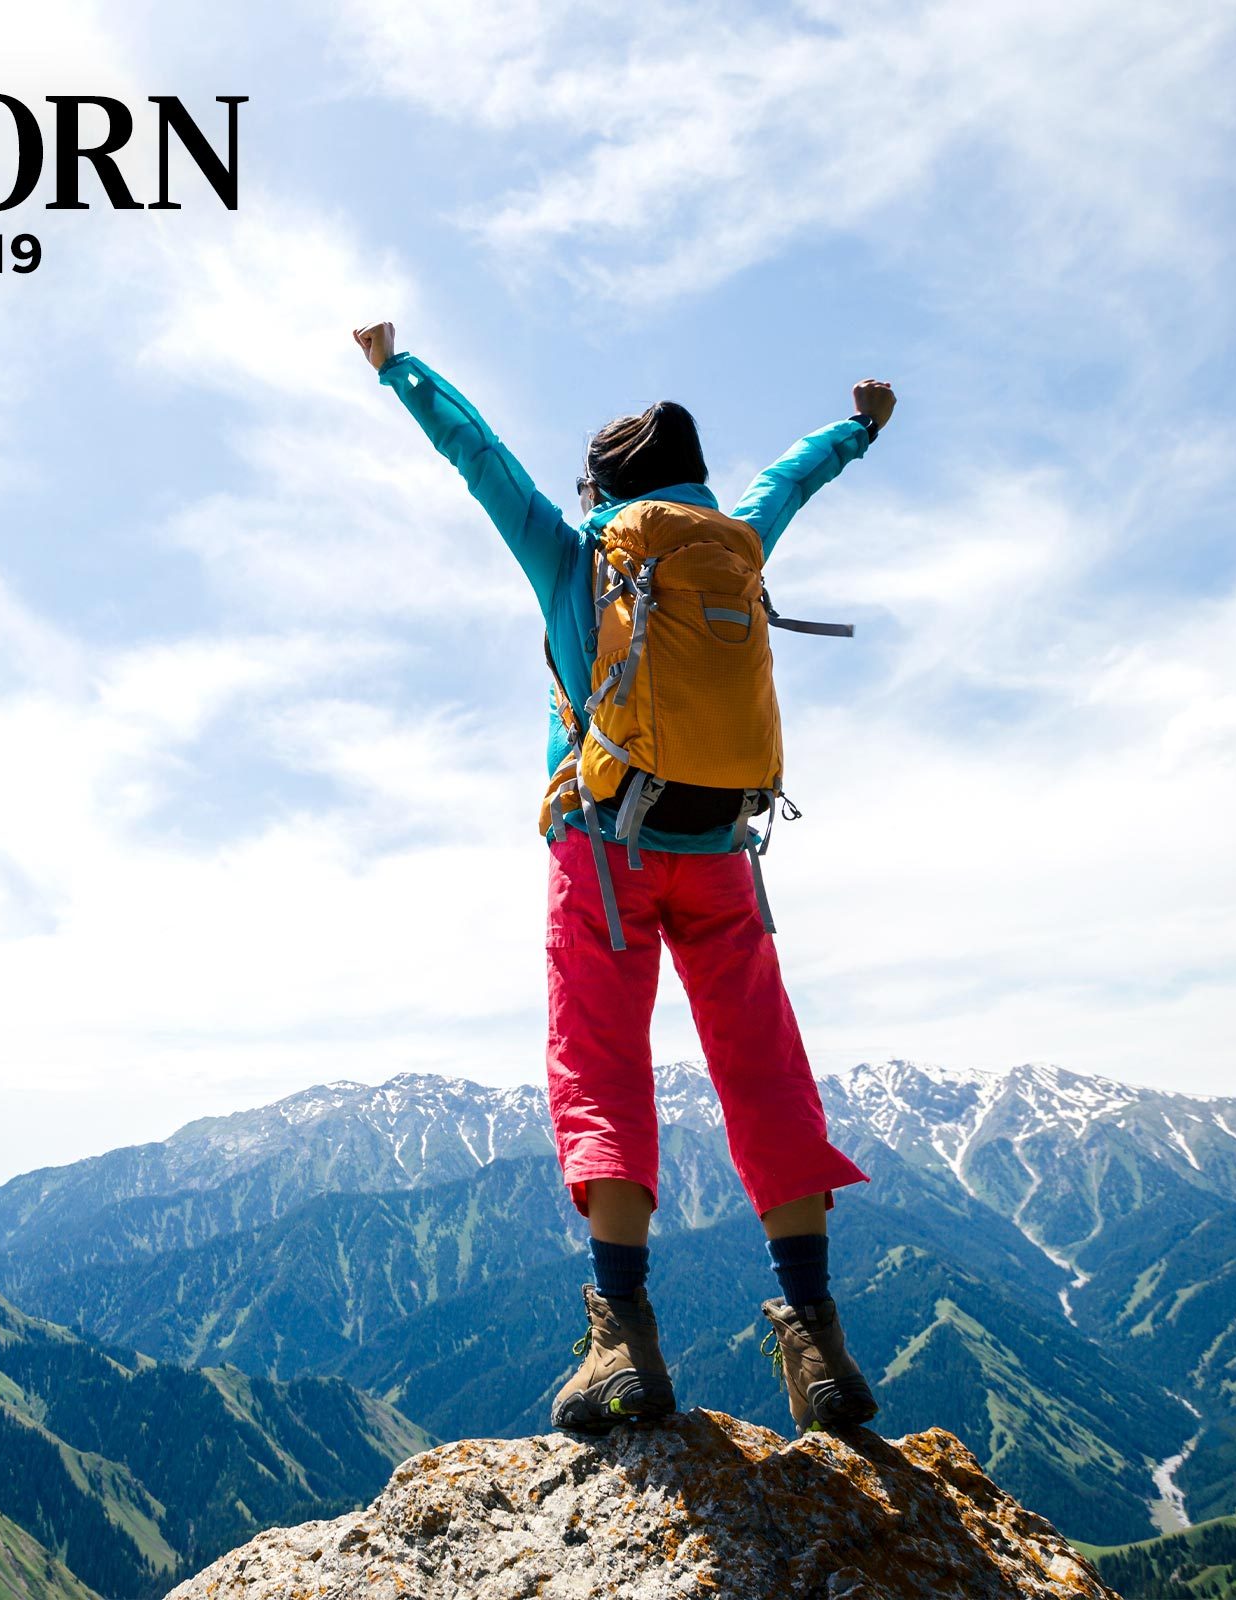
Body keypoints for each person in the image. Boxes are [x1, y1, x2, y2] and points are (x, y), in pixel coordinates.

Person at [353, 320, 892, 1436]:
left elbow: (479, 459)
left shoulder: (576, 553)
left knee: (601, 1066)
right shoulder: (734, 539)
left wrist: (401, 369)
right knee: (764, 1068)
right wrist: (857, 429)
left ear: (600, 484)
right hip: (723, 852)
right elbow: (791, 479)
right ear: (689, 483)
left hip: (600, 849)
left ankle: (623, 1338)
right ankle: (818, 1335)